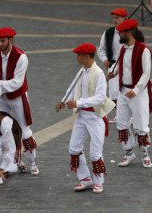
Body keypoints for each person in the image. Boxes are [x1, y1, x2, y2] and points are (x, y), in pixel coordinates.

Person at [56, 43, 115, 194]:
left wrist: (79, 102)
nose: (77, 58)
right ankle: (85, 179)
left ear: (87, 56)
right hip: (82, 116)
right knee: (74, 148)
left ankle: (98, 182)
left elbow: (101, 97)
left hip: (95, 117)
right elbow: (73, 87)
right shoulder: (82, 70)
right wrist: (64, 101)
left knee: (95, 152)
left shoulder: (99, 73)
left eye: (79, 55)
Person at [0, 27, 39, 176]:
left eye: (3, 41)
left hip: (17, 96)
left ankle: (33, 162)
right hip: (1, 97)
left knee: (24, 129)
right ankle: (9, 163)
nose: (0, 44)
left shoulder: (21, 57)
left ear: (10, 40)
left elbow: (17, 83)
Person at [107, 19, 152, 168]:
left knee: (141, 125)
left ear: (129, 33)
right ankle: (128, 153)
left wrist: (136, 90)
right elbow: (119, 65)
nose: (119, 35)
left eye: (121, 32)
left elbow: (146, 73)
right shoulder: (123, 49)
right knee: (121, 123)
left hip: (137, 93)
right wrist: (112, 73)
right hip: (123, 91)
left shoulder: (143, 50)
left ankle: (145, 154)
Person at [97, 8, 128, 123]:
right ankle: (120, 115)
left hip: (127, 66)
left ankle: (128, 116)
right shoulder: (108, 33)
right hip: (113, 65)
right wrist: (104, 59)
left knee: (127, 92)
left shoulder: (130, 33)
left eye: (117, 18)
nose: (115, 20)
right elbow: (101, 50)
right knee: (114, 94)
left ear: (125, 19)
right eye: (114, 18)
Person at [0, 111, 22, 185]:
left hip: (14, 135)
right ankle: (16, 161)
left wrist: (1, 168)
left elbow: (10, 148)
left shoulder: (4, 122)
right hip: (0, 135)